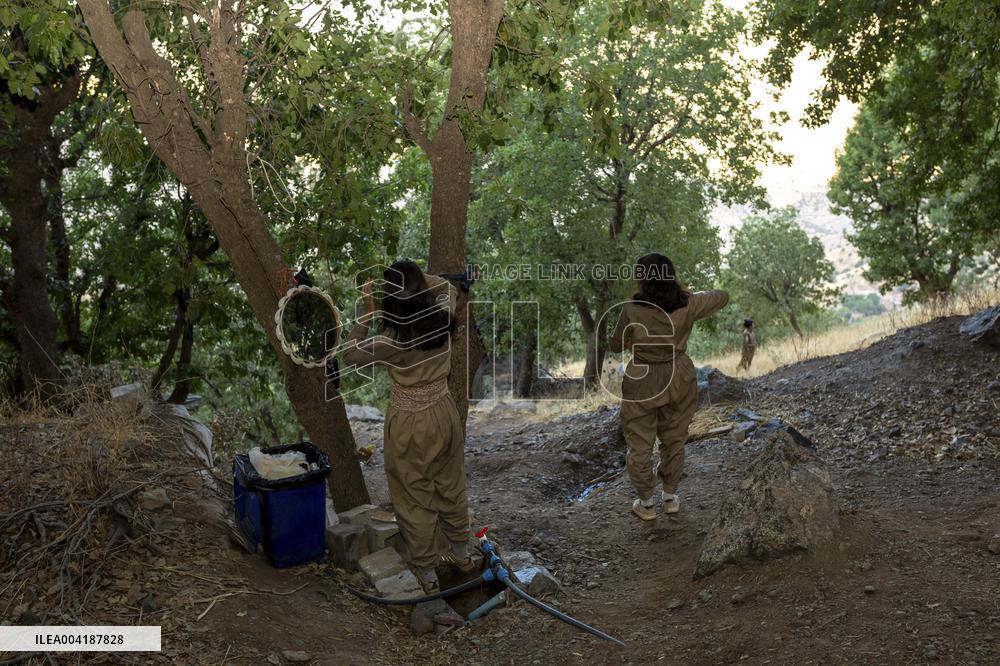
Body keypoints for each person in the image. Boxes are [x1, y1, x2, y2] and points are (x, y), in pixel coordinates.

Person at [341, 261, 474, 593]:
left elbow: (349, 354)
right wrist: (415, 279)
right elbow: (446, 287)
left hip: (410, 422)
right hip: (444, 412)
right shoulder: (444, 314)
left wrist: (368, 310)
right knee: (451, 484)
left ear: (393, 301)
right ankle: (462, 553)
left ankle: (427, 574)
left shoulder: (391, 341)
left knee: (412, 497)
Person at [610, 253, 729, 521]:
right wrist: (691, 294)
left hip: (643, 378)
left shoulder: (631, 309)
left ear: (642, 278)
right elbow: (722, 295)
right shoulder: (690, 303)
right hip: (680, 374)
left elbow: (615, 345)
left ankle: (646, 503)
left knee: (640, 443)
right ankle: (671, 497)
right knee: (675, 437)